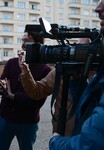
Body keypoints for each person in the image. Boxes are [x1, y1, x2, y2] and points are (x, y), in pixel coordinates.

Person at [48, 1, 104, 149]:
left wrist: (56, 143)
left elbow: (91, 144)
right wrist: (76, 80)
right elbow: (93, 109)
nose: (98, 8)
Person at [19, 38, 92, 136]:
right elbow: (36, 91)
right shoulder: (61, 71)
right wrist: (25, 71)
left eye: (85, 48)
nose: (80, 51)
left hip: (90, 136)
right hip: (63, 134)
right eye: (78, 46)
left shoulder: (98, 75)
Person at [0, 29, 51, 150]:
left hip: (27, 122)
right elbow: (3, 81)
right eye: (22, 40)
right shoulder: (12, 62)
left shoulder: (46, 70)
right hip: (5, 117)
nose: (23, 44)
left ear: (38, 44)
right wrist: (0, 86)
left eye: (27, 41)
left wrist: (13, 96)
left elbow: (37, 101)